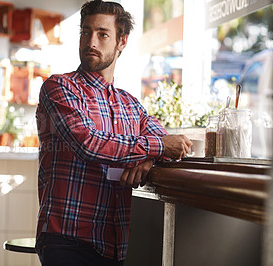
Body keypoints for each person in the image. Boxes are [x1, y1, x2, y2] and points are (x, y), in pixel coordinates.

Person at [35, 1, 192, 265]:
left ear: (122, 42)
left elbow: (169, 146)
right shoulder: (59, 87)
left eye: (102, 34)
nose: (91, 41)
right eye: (86, 32)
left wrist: (148, 158)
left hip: (114, 243)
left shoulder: (131, 104)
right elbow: (89, 142)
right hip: (66, 239)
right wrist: (156, 148)